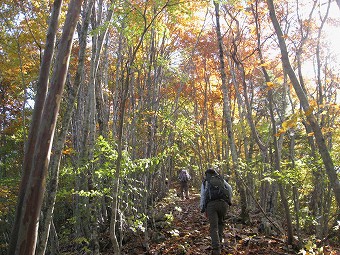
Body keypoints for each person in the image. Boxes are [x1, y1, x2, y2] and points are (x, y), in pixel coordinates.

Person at [200, 168, 232, 255]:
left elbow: (203, 195)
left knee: (214, 227)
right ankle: (220, 244)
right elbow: (229, 188)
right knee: (221, 223)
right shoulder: (220, 179)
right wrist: (229, 201)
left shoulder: (206, 181)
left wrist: (202, 207)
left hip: (211, 205)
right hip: (223, 204)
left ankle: (216, 250)